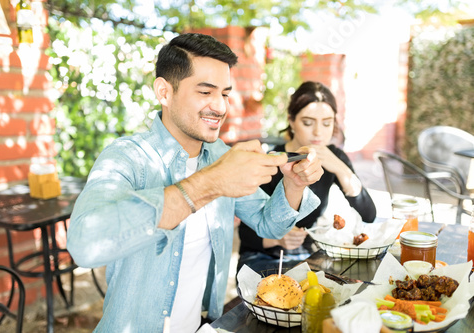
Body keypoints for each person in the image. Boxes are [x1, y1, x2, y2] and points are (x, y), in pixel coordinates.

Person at [66, 33, 324, 333]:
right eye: (205, 92)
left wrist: (293, 185)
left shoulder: (221, 155)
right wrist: (209, 184)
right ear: (164, 92)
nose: (220, 107)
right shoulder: (126, 158)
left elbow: (270, 226)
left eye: (225, 94)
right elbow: (84, 246)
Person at [238, 81, 377, 274]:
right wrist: (277, 238)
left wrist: (341, 169)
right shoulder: (273, 160)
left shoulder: (333, 157)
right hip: (264, 256)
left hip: (307, 255)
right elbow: (245, 235)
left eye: (327, 123)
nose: (319, 132)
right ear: (292, 121)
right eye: (308, 123)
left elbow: (369, 215)